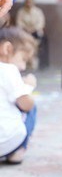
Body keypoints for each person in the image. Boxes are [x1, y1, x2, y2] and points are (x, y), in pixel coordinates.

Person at [0, 27, 37, 164]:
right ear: (7, 49)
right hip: (7, 141)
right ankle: (18, 151)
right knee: (33, 106)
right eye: (23, 59)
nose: (23, 66)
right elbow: (26, 105)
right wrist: (28, 87)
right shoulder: (9, 70)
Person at [16, 0, 46, 69]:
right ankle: (25, 61)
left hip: (35, 32)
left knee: (38, 39)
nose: (29, 3)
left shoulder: (38, 11)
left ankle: (34, 61)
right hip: (25, 32)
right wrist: (26, 29)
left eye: (30, 2)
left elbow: (41, 23)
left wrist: (33, 29)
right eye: (27, 2)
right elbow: (19, 23)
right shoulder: (21, 11)